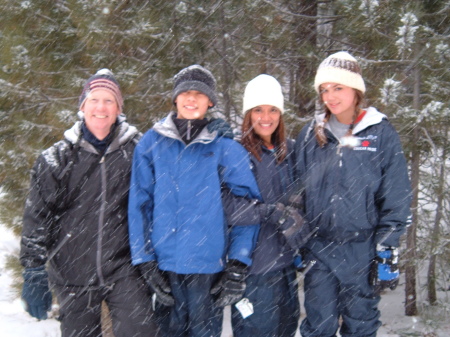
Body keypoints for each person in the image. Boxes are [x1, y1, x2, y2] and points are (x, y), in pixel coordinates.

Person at [20, 69, 158, 336]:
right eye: (94, 99)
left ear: (119, 108)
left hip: (124, 268)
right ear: (82, 106)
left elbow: (174, 161)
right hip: (73, 271)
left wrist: (215, 133)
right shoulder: (56, 158)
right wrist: (34, 268)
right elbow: (37, 214)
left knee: (140, 331)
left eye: (109, 100)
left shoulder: (139, 151)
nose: (101, 107)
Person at [127, 64, 261, 337]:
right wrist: (144, 259)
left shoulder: (225, 148)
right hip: (164, 268)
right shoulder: (151, 144)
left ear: (210, 101)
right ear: (175, 98)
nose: (191, 99)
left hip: (208, 268)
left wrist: (237, 263)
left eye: (199, 94)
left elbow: (247, 211)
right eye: (185, 92)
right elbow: (140, 205)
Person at [291, 51, 412, 337]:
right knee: (318, 326)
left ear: (355, 89)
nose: (330, 96)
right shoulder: (311, 135)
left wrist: (386, 248)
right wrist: (298, 240)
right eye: (324, 90)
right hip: (319, 250)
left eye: (338, 88)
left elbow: (395, 196)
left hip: (362, 251)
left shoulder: (379, 133)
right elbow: (295, 195)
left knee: (361, 326)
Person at [220, 74, 304, 337]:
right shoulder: (235, 152)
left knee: (287, 329)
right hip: (253, 269)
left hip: (286, 267)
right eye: (258, 110)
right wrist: (267, 212)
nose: (265, 117)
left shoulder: (289, 150)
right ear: (248, 114)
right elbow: (225, 205)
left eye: (272, 110)